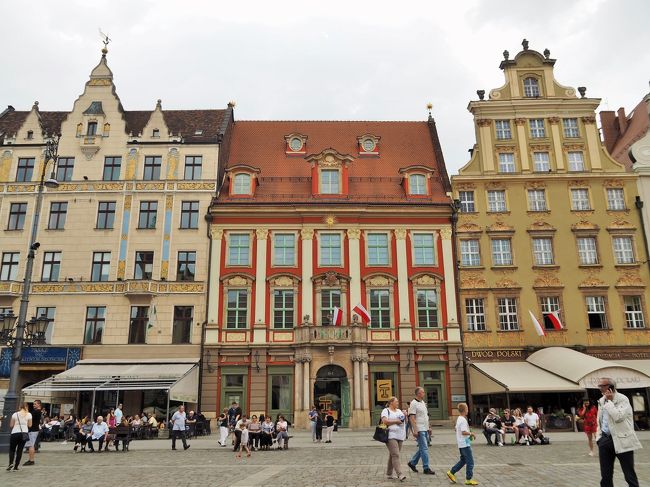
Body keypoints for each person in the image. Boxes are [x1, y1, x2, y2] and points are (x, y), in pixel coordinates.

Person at [596, 377, 641, 487]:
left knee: (629, 474)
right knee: (605, 476)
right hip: (605, 440)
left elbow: (618, 417)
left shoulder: (622, 399)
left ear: (610, 387)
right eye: (599, 386)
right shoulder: (601, 400)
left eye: (602, 385)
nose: (600, 388)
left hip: (622, 439)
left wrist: (610, 401)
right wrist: (599, 438)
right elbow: (600, 420)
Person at [447, 402, 478, 485]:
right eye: (467, 408)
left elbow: (456, 429)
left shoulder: (459, 418)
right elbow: (463, 432)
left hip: (461, 444)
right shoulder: (463, 420)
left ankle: (451, 472)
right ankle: (468, 479)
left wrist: (467, 432)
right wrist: (471, 434)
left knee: (463, 460)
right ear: (465, 410)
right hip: (465, 444)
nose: (468, 410)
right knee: (470, 462)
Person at [407, 387, 435, 475]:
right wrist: (415, 430)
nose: (424, 394)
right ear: (418, 394)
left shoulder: (423, 402)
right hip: (419, 429)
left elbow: (426, 417)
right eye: (422, 392)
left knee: (423, 448)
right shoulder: (413, 403)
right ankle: (426, 468)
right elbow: (412, 418)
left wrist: (429, 427)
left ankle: (412, 463)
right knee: (424, 448)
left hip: (425, 428)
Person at [381, 396, 407, 481]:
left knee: (392, 454)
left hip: (400, 436)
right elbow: (385, 421)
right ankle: (400, 474)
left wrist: (405, 415)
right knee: (396, 454)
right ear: (391, 402)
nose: (398, 403)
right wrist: (396, 421)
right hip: (390, 435)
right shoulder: (386, 410)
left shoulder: (399, 411)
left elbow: (403, 421)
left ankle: (389, 473)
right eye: (396, 401)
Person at [8, 402, 32, 471]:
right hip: (24, 433)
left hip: (15, 433)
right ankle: (16, 466)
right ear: (26, 407)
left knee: (12, 449)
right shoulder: (29, 414)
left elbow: (11, 425)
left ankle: (10, 463)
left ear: (20, 407)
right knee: (20, 450)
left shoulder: (15, 414)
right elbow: (30, 425)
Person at [24, 399, 42, 466]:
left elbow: (28, 417)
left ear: (39, 404)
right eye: (33, 404)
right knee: (30, 445)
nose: (34, 405)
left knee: (31, 445)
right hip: (34, 430)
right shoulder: (37, 411)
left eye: (35, 404)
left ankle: (31, 460)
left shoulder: (36, 411)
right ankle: (30, 459)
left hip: (33, 430)